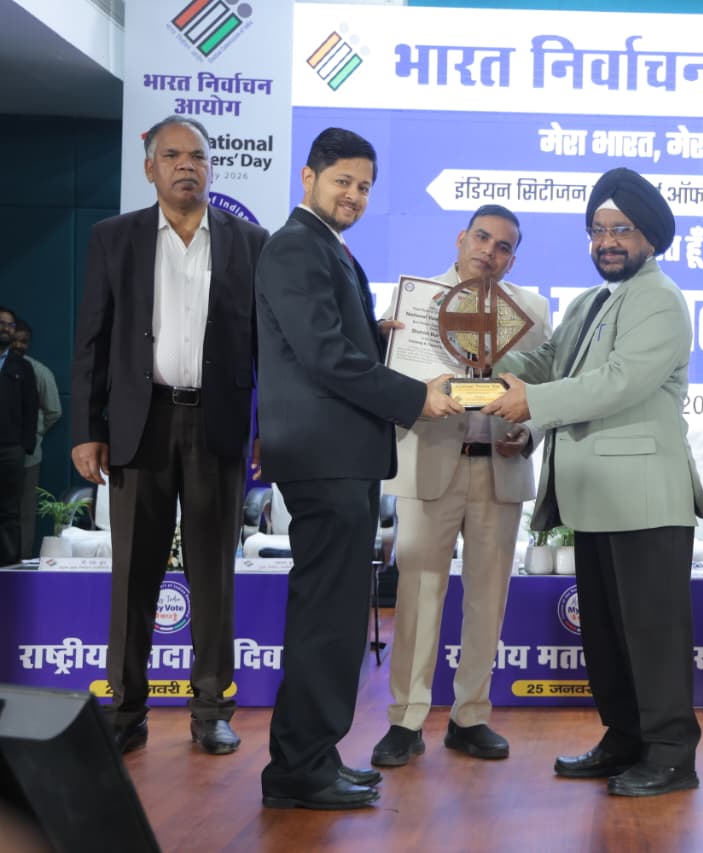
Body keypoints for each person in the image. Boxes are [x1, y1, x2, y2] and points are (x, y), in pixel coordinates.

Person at [484, 167, 703, 798]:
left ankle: (671, 754)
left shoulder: (660, 299)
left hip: (645, 499)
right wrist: (481, 354)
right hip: (594, 499)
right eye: (597, 230)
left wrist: (532, 402)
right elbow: (546, 362)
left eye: (622, 229)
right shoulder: (591, 302)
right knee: (608, 636)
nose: (607, 241)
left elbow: (618, 382)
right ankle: (625, 738)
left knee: (653, 636)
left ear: (650, 236)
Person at [255, 127, 459, 811]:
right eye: (343, 181)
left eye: (365, 186)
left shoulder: (326, 246)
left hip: (340, 454)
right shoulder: (295, 245)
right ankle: (298, 770)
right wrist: (414, 396)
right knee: (326, 616)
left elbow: (325, 343)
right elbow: (323, 357)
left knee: (337, 615)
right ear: (308, 177)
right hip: (325, 457)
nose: (354, 196)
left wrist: (375, 337)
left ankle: (313, 756)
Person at [68, 116, 268, 755]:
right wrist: (87, 429)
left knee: (214, 575)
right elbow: (92, 340)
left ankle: (211, 710)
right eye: (174, 155)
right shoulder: (114, 237)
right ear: (150, 167)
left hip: (218, 424)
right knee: (134, 574)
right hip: (140, 422)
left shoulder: (250, 242)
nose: (187, 165)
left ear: (212, 167)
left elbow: (266, 347)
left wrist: (265, 429)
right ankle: (126, 710)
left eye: (199, 156)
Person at [369, 205, 551, 767]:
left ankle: (471, 716)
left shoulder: (533, 310)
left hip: (499, 464)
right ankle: (406, 720)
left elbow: (548, 388)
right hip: (430, 459)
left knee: (488, 597)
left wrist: (529, 432)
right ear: (460, 239)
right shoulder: (414, 302)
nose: (489, 252)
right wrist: (395, 369)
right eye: (481, 237)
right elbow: (384, 381)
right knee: (418, 594)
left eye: (503, 246)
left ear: (513, 258)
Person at [12, 318, 63, 559]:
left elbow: (53, 411)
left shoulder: (39, 372)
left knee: (25, 513)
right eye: (15, 340)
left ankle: (20, 561)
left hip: (28, 458)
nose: (19, 346)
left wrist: (34, 434)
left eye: (24, 341)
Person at [0, 306, 37, 566]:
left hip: (10, 450)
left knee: (9, 511)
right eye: (1, 323)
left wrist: (24, 446)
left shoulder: (23, 367)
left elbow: (31, 409)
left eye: (10, 325)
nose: (6, 328)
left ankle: (8, 567)